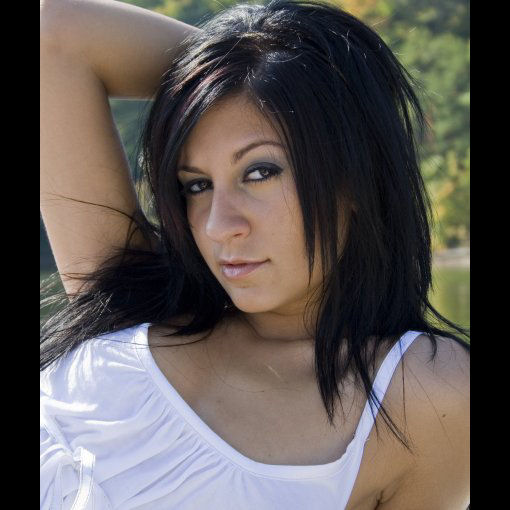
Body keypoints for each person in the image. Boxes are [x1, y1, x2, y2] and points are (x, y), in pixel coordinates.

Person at [40, 0, 470, 508]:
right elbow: (53, 35)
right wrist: (241, 66)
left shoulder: (423, 394)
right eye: (197, 185)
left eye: (260, 172)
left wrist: (308, 85)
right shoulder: (132, 299)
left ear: (352, 176)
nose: (218, 226)